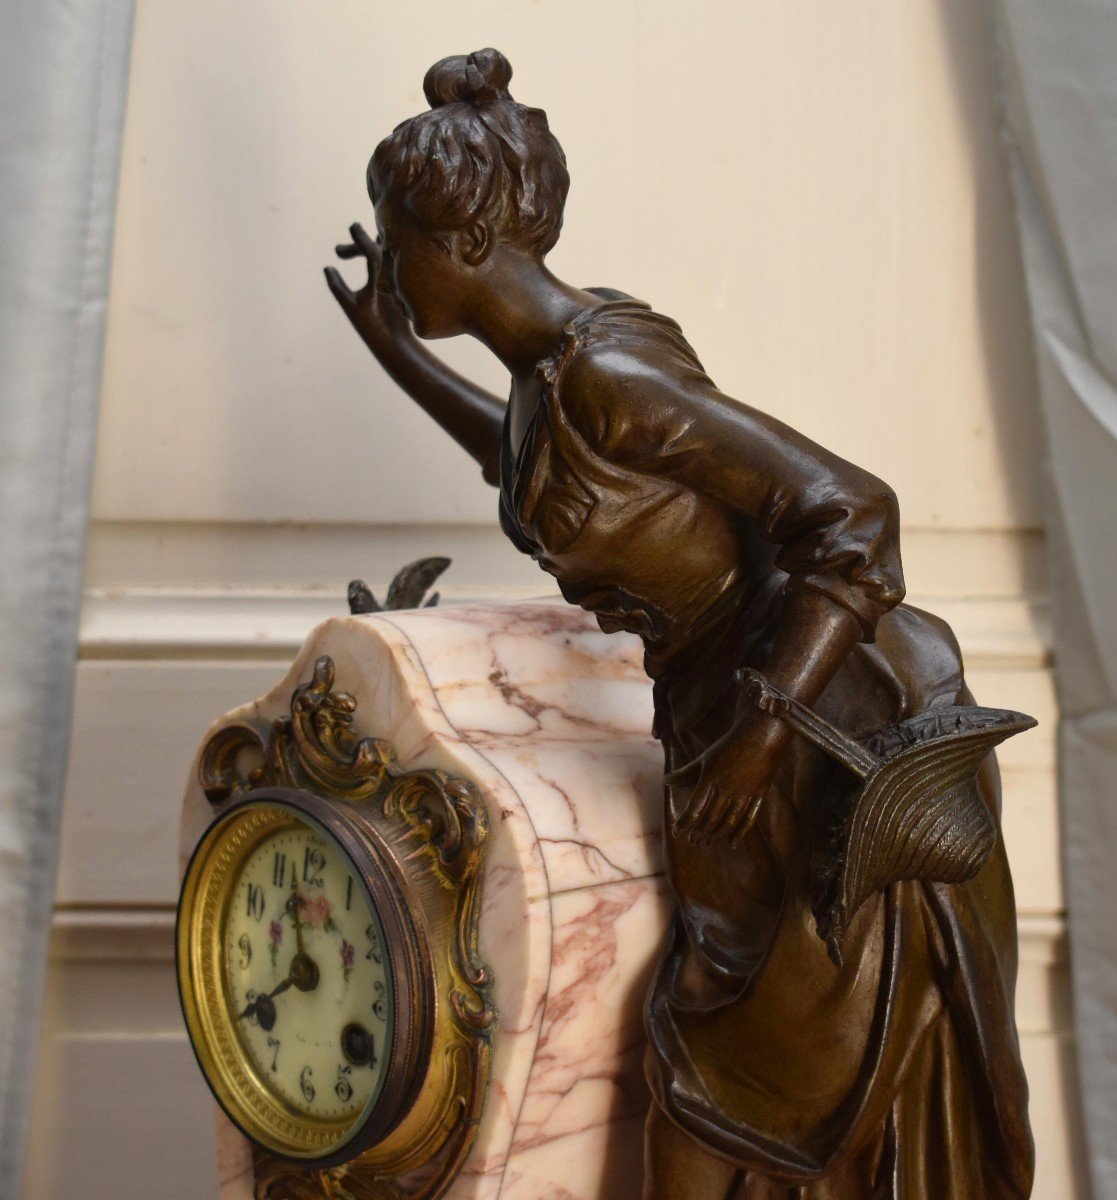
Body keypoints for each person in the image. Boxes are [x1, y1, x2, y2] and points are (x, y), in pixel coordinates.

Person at [325, 48, 1034, 1200]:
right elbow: (532, 475)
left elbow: (854, 513)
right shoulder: (549, 383)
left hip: (823, 748)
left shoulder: (606, 371)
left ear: (459, 244)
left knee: (771, 1113)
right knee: (718, 1101)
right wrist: (394, 350)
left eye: (390, 233)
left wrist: (765, 728)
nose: (384, 258)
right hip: (729, 728)